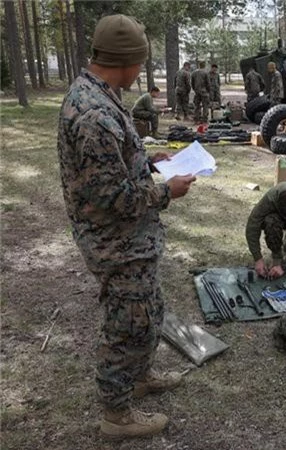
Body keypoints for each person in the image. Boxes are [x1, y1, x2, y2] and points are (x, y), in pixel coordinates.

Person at [56, 14, 196, 440]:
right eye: (140, 62)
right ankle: (116, 415)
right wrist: (167, 190)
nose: (141, 71)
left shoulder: (101, 94)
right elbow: (113, 199)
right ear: (127, 61)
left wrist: (145, 160)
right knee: (127, 325)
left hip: (131, 241)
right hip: (116, 243)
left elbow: (113, 163)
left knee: (148, 311)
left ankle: (139, 376)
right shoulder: (93, 114)